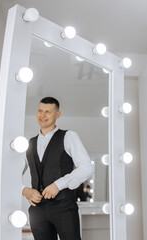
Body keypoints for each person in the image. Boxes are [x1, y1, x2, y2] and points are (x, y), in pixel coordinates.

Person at [22, 97, 94, 240]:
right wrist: (24, 190)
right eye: (40, 111)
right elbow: (10, 174)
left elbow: (86, 167)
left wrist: (58, 185)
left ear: (57, 114)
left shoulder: (69, 136)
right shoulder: (29, 143)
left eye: (48, 112)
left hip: (64, 208)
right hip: (37, 210)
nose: (42, 115)